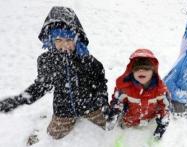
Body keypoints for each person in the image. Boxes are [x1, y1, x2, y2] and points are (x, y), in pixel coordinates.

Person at [0, 6, 109, 139]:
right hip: (64, 110)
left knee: (108, 124)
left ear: (77, 39)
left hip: (90, 105)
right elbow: (40, 87)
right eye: (58, 40)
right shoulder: (47, 61)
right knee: (53, 136)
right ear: (51, 40)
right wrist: (18, 100)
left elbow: (100, 82)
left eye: (69, 40)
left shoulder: (88, 61)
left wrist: (102, 102)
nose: (64, 45)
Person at [107, 49, 169, 139]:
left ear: (153, 71)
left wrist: (162, 124)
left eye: (146, 68)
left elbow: (165, 107)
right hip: (129, 121)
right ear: (132, 71)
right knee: (123, 131)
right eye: (137, 69)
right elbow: (117, 102)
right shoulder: (125, 88)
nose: (141, 71)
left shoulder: (160, 90)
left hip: (149, 120)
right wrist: (114, 114)